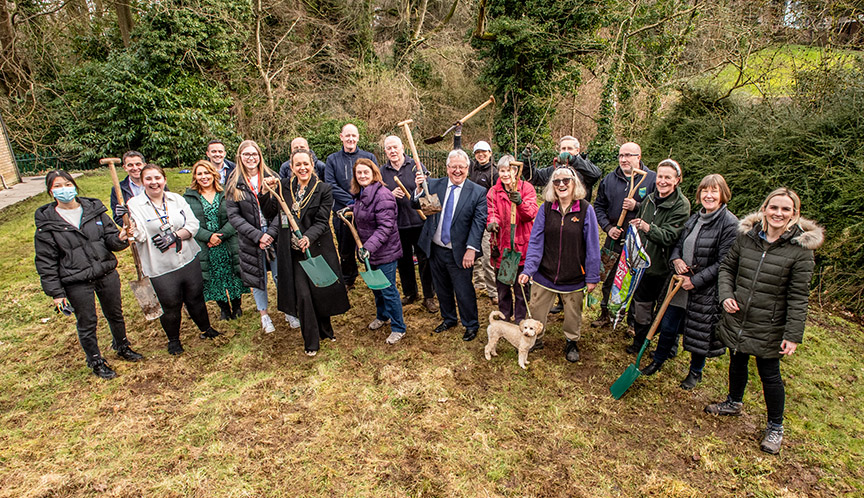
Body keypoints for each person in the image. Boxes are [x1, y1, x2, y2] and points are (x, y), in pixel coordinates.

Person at [705, 188, 822, 455]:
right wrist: (726, 296)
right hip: (739, 314)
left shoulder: (800, 251)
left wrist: (792, 334)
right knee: (737, 359)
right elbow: (727, 268)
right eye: (774, 207)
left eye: (785, 209)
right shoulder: (747, 237)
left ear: (794, 213)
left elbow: (798, 296)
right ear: (765, 208)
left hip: (769, 323)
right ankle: (733, 402)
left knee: (769, 374)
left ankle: (775, 426)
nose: (778, 214)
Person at [35, 170, 143, 379]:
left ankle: (122, 346)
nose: (64, 189)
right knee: (87, 321)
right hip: (76, 280)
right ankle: (95, 360)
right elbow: (46, 262)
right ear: (51, 191)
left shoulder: (94, 210)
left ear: (74, 186)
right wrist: (56, 293)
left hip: (105, 272)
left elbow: (111, 240)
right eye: (58, 186)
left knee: (115, 313)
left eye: (67, 184)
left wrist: (120, 237)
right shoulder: (47, 224)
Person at [638, 174, 738, 389]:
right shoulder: (695, 218)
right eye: (705, 191)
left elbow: (724, 262)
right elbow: (678, 243)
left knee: (699, 332)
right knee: (667, 325)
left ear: (723, 195)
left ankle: (695, 372)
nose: (708, 196)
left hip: (705, 290)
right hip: (679, 284)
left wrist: (696, 281)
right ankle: (658, 360)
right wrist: (676, 259)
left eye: (714, 191)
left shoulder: (729, 224)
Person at [261, 150, 350, 356]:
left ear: (312, 165)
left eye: (306, 164)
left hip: (316, 247)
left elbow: (322, 221)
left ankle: (326, 330)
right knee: (303, 294)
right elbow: (269, 212)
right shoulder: (284, 187)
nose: (302, 168)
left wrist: (308, 237)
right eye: (298, 164)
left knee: (320, 289)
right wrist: (266, 191)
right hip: (293, 254)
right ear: (291, 167)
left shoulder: (323, 189)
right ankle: (311, 340)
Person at [127, 164, 220, 354]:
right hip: (160, 265)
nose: (154, 183)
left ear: (164, 180)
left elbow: (193, 224)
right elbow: (141, 235)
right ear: (143, 182)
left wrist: (176, 236)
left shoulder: (176, 200)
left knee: (195, 297)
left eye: (157, 178)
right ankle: (174, 340)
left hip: (187, 257)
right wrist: (131, 228)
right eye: (149, 179)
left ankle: (206, 328)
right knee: (170, 303)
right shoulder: (134, 204)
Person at [518, 168, 601, 362]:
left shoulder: (586, 209)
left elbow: (592, 246)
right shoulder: (545, 209)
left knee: (573, 314)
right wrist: (529, 269)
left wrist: (592, 276)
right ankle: (535, 339)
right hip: (545, 274)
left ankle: (571, 341)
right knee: (536, 309)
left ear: (574, 184)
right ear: (552, 186)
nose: (561, 184)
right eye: (556, 182)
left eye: (566, 180)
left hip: (574, 275)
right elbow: (536, 242)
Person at [413, 149, 487, 341]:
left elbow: (479, 224)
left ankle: (471, 324)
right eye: (453, 167)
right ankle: (449, 318)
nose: (457, 171)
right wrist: (420, 190)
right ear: (447, 168)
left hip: (461, 252)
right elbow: (417, 204)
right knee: (442, 287)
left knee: (463, 290)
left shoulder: (477, 192)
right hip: (436, 249)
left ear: (467, 169)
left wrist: (471, 249)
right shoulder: (434, 185)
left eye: (461, 167)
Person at [225, 140, 290, 333]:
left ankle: (288, 310)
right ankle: (264, 315)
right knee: (257, 276)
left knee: (281, 275)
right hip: (250, 238)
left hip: (274, 235)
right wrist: (257, 236)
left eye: (254, 154)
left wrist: (270, 233)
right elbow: (234, 216)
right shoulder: (234, 183)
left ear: (260, 156)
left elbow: (282, 209)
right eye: (246, 155)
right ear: (240, 157)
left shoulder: (272, 177)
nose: (251, 158)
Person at [626, 159, 691, 355]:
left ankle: (668, 348)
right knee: (642, 307)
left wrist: (647, 227)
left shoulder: (681, 205)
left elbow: (671, 236)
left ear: (677, 180)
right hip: (644, 266)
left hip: (664, 267)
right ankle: (639, 343)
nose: (662, 181)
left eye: (667, 178)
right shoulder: (650, 199)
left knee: (665, 311)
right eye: (660, 177)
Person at [591, 142, 656, 328]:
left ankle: (632, 322)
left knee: (634, 281)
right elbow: (599, 206)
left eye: (628, 155)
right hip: (613, 240)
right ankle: (606, 313)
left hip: (638, 242)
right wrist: (607, 227)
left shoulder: (651, 180)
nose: (623, 159)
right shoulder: (609, 180)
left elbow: (657, 208)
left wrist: (637, 206)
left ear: (639, 157)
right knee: (608, 278)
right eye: (621, 155)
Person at [350, 158, 407, 344]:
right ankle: (383, 316)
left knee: (388, 289)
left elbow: (385, 226)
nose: (362, 175)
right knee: (376, 287)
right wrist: (349, 209)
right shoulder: (362, 193)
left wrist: (368, 247)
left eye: (366, 172)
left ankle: (399, 327)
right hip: (370, 251)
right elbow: (365, 210)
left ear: (374, 173)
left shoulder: (383, 195)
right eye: (359, 173)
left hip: (384, 251)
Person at [183, 160, 249, 320]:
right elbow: (188, 222)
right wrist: (208, 237)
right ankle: (224, 309)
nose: (204, 177)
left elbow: (236, 216)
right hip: (206, 244)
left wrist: (220, 236)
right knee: (214, 277)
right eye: (200, 174)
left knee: (233, 275)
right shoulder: (189, 197)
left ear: (214, 174)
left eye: (207, 173)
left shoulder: (227, 192)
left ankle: (237, 307)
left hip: (227, 241)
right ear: (195, 177)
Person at [380, 135, 437, 313]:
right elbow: (379, 194)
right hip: (397, 224)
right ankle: (411, 293)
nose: (393, 151)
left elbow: (430, 189)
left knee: (425, 259)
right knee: (403, 261)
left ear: (402, 147)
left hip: (419, 222)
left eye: (395, 147)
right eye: (389, 148)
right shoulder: (382, 172)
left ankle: (429, 296)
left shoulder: (416, 165)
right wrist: (390, 194)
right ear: (385, 151)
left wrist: (421, 185)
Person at [324, 123, 379, 288]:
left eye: (353, 135)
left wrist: (361, 200)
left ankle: (374, 275)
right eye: (347, 135)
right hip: (342, 212)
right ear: (341, 137)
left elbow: (375, 181)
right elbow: (330, 185)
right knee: (345, 249)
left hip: (367, 211)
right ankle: (348, 279)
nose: (350, 139)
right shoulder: (332, 160)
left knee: (371, 246)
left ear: (358, 137)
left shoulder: (369, 157)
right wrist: (353, 200)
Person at [486, 155, 537, 323]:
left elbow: (530, 214)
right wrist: (493, 223)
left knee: (521, 289)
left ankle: (520, 320)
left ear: (515, 171)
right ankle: (504, 317)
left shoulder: (526, 188)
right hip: (502, 248)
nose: (505, 174)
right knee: (503, 288)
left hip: (521, 247)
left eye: (509, 170)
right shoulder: (494, 191)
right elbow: (492, 212)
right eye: (502, 170)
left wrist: (520, 202)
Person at [522, 136, 601, 202]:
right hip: (556, 215)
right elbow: (534, 177)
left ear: (578, 150)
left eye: (570, 148)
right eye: (563, 149)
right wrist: (527, 163)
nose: (566, 151)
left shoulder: (585, 168)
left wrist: (573, 160)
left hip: (579, 215)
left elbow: (596, 174)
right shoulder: (555, 169)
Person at [467, 140, 498, 305]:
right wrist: (458, 134)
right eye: (478, 152)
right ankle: (479, 283)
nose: (481, 154)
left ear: (490, 153)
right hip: (471, 217)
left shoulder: (494, 173)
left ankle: (493, 291)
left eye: (484, 152)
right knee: (473, 251)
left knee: (487, 255)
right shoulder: (472, 168)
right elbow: (458, 153)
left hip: (487, 218)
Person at [110, 151, 146, 225]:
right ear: (125, 168)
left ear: (144, 165)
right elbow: (117, 217)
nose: (135, 168)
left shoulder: (156, 184)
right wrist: (130, 226)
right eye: (130, 165)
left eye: (138, 164)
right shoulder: (118, 189)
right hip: (134, 229)